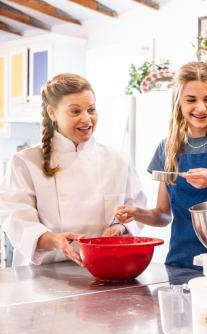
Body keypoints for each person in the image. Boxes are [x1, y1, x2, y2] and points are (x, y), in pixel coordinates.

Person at [114, 62, 207, 269]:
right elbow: (162, 215)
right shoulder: (167, 147)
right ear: (178, 102)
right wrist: (137, 212)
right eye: (191, 100)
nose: (201, 108)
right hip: (180, 262)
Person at [0, 73, 146, 267]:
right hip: (43, 274)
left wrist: (120, 227)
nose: (87, 119)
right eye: (75, 111)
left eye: (91, 110)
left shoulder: (118, 160)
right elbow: (16, 219)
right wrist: (55, 240)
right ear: (52, 113)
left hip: (104, 267)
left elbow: (137, 210)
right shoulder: (25, 162)